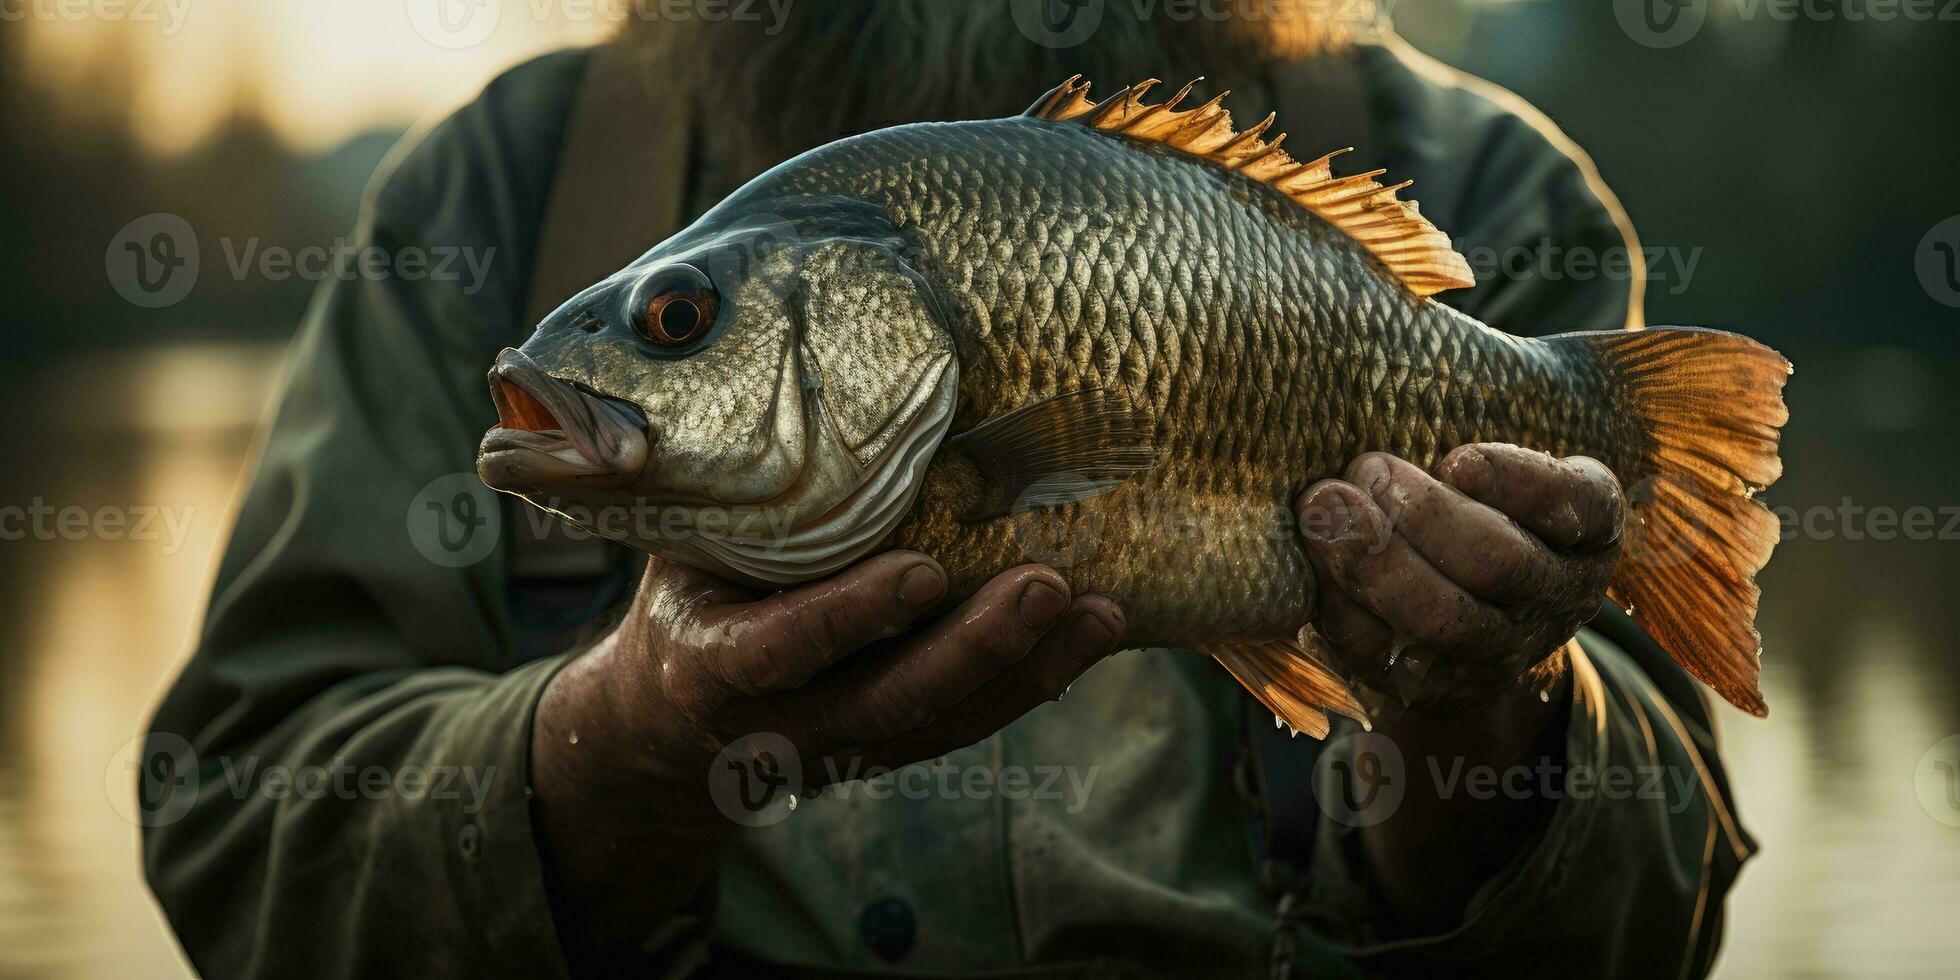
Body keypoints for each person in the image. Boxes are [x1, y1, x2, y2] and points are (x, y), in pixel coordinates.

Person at [142, 3, 1752, 977]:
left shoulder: (1483, 190)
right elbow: (238, 838)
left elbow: (1650, 929)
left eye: (682, 325)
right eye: (680, 321)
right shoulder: (499, 195)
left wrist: (1483, 710)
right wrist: (620, 741)